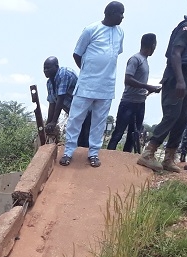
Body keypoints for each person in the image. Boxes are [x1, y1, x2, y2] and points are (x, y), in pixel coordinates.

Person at [138, 0, 187, 173]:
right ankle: (148, 153)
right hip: (176, 75)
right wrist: (179, 80)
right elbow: (175, 53)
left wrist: (186, 80)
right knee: (172, 114)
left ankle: (169, 158)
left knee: (183, 117)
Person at [60, 2, 126, 168]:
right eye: (120, 13)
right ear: (110, 13)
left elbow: (114, 54)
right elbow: (77, 53)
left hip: (106, 86)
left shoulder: (120, 33)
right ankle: (68, 152)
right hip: (87, 84)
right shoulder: (91, 29)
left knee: (99, 122)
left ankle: (93, 153)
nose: (122, 17)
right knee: (76, 118)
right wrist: (87, 71)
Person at [108, 34, 161, 153]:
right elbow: (128, 79)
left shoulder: (145, 61)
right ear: (152, 45)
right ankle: (108, 157)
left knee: (133, 134)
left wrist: (151, 89)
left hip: (140, 103)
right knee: (118, 132)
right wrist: (148, 87)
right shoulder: (135, 59)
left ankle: (126, 161)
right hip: (128, 102)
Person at [43, 57, 91, 148]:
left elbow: (60, 99)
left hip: (86, 110)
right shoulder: (49, 83)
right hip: (74, 114)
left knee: (84, 140)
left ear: (56, 66)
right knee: (75, 139)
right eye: (44, 68)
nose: (45, 70)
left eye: (48, 68)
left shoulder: (64, 74)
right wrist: (48, 124)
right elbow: (52, 103)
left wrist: (54, 122)